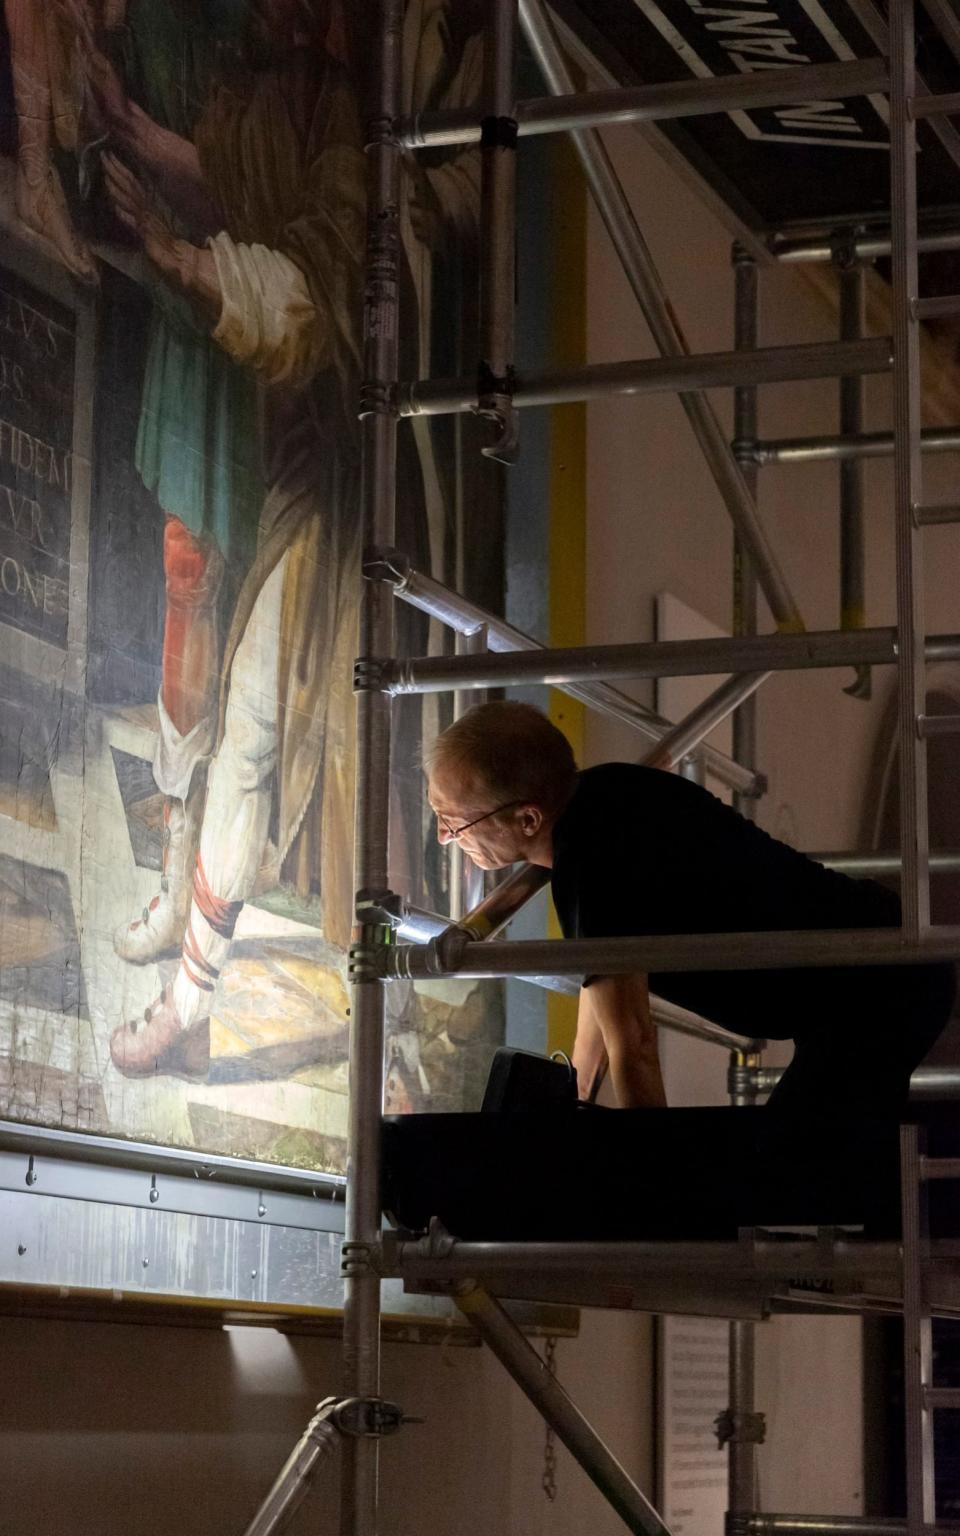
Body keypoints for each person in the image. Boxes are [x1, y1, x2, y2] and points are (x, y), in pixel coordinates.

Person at [425, 700, 957, 1118]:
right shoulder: (607, 792)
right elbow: (601, 1004)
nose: (448, 839)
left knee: (800, 1177)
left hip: (876, 984)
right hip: (876, 971)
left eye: (456, 823)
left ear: (528, 819)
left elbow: (632, 1042)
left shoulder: (592, 863)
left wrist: (660, 1198)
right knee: (806, 1171)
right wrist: (575, 1102)